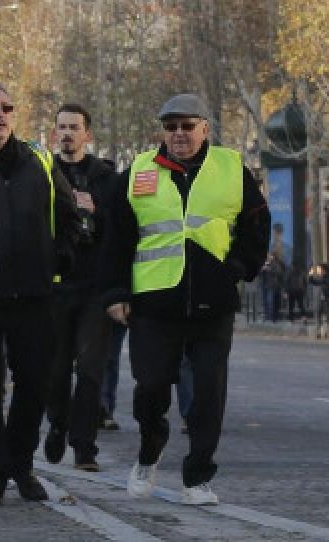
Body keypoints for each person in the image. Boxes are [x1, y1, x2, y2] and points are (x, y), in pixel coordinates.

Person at [102, 93, 270, 505]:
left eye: (187, 126)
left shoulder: (232, 168)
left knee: (208, 395)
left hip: (213, 306)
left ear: (204, 129)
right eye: (171, 127)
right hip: (154, 304)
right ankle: (149, 450)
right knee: (151, 388)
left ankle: (197, 477)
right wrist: (117, 293)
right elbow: (116, 239)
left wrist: (235, 269)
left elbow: (257, 224)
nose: (179, 134)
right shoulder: (137, 171)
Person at [0, 81, 79, 507]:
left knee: (34, 386)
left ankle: (20, 465)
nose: (0, 115)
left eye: (7, 107)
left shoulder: (40, 161)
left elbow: (67, 215)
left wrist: (59, 260)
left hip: (35, 294)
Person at [43, 104, 117, 472]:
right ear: (54, 133)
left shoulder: (105, 175)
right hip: (56, 287)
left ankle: (84, 447)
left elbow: (119, 226)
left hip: (94, 287)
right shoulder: (43, 172)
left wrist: (95, 209)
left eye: (75, 127)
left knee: (91, 370)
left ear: (87, 134)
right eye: (62, 127)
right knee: (55, 371)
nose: (68, 133)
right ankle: (58, 422)